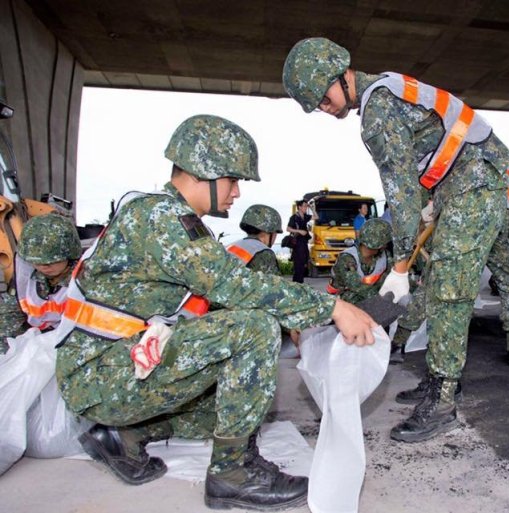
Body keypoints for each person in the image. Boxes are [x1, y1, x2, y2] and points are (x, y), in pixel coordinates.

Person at [283, 38, 509, 442]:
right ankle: (441, 378)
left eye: (321, 97)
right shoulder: (387, 90)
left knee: (452, 289)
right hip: (465, 187)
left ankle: (444, 400)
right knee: (440, 284)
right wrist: (430, 209)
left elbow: (398, 191)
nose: (323, 109)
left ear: (339, 73)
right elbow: (424, 172)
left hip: (474, 189)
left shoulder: (377, 111)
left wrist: (399, 265)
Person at [54, 115, 376, 511]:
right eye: (232, 179)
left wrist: (296, 319)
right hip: (100, 375)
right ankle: (232, 475)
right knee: (255, 330)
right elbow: (231, 285)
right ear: (203, 171)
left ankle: (125, 436)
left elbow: (218, 296)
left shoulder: (161, 215)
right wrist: (331, 307)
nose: (237, 192)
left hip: (111, 368)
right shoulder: (162, 219)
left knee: (230, 410)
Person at [0, 213, 81, 352]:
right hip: (36, 345)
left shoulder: (86, 280)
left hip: (71, 346)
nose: (44, 267)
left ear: (70, 255)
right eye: (37, 262)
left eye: (52, 261)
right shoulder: (25, 277)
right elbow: (9, 317)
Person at [327, 218, 392, 304]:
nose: (386, 245)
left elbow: (395, 275)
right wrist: (383, 302)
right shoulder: (347, 258)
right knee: (352, 297)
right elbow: (357, 286)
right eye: (385, 242)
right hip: (341, 302)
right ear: (379, 244)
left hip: (370, 298)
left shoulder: (385, 256)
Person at [227, 204, 283, 275]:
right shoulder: (263, 253)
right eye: (276, 232)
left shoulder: (233, 245)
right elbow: (274, 284)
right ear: (270, 232)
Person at [286, 199, 316, 283]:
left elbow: (316, 217)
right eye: (304, 206)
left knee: (304, 262)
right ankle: (296, 283)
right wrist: (299, 231)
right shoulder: (294, 217)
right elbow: (288, 229)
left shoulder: (305, 216)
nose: (306, 208)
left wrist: (312, 208)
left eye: (306, 206)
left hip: (304, 242)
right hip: (297, 243)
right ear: (299, 207)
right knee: (298, 264)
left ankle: (300, 282)